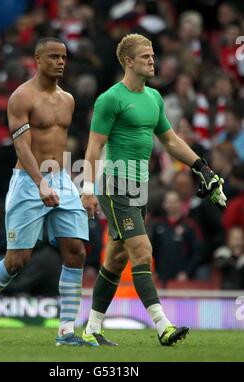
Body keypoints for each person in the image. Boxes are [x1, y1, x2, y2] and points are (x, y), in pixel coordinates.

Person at [81, 33, 227, 346]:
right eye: (146, 56)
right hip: (114, 183)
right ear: (128, 61)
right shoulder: (110, 99)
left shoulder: (154, 98)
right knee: (142, 250)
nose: (152, 60)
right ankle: (163, 325)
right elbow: (94, 146)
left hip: (140, 187)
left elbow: (171, 141)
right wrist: (88, 188)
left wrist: (203, 168)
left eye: (152, 55)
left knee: (117, 258)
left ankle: (91, 329)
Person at [0, 37, 92, 347]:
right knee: (16, 261)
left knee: (76, 252)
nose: (61, 61)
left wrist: (80, 185)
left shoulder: (68, 99)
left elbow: (60, 146)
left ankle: (66, 332)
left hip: (61, 179)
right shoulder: (21, 97)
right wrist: (40, 183)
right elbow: (22, 145)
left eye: (63, 56)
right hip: (28, 182)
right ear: (37, 58)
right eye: (53, 56)